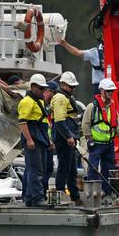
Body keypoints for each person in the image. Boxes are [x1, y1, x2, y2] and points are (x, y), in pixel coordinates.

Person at [81, 78, 119, 195]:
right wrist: (89, 138)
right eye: (108, 91)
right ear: (102, 91)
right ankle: (93, 192)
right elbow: (85, 124)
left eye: (112, 91)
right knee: (93, 168)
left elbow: (118, 124)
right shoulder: (92, 107)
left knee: (108, 168)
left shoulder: (112, 108)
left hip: (108, 144)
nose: (111, 93)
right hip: (96, 144)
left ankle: (106, 192)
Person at [18, 74, 50, 207]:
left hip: (40, 137)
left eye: (44, 89)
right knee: (35, 170)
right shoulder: (26, 102)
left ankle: (30, 198)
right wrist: (29, 140)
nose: (43, 91)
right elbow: (22, 122)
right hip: (33, 137)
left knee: (39, 169)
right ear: (33, 87)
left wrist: (49, 140)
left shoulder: (40, 101)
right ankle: (37, 198)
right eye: (41, 89)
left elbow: (43, 121)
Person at [50, 71, 81, 204]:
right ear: (62, 84)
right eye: (70, 86)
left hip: (69, 137)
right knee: (64, 167)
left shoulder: (66, 97)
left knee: (72, 168)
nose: (73, 89)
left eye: (73, 87)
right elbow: (60, 121)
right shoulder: (60, 98)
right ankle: (60, 194)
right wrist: (68, 137)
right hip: (64, 138)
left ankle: (74, 196)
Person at [41, 80, 58, 192]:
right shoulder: (40, 105)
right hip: (42, 142)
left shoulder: (50, 106)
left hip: (49, 142)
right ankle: (40, 192)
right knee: (42, 169)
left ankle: (44, 191)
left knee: (49, 168)